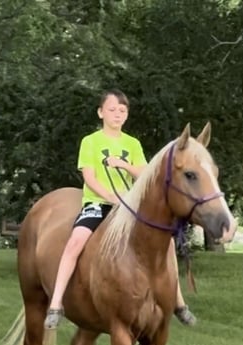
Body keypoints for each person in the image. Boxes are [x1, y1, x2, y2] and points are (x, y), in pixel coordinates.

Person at [44, 89, 197, 330]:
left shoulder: (132, 143)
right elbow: (89, 176)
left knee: (165, 241)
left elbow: (145, 174)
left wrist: (124, 165)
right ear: (100, 112)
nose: (117, 114)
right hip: (98, 203)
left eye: (122, 110)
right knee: (75, 241)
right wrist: (110, 197)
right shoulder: (90, 142)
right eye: (112, 109)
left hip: (129, 206)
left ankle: (178, 302)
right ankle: (56, 302)